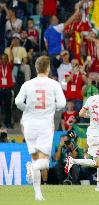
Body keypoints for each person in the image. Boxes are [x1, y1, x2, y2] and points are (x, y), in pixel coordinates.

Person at [15, 56, 66, 200]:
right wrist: (50, 109)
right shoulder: (54, 84)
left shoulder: (27, 84)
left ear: (36, 68)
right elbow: (62, 104)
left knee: (35, 158)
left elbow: (18, 101)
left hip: (28, 124)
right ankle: (33, 168)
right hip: (44, 124)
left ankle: (38, 194)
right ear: (48, 68)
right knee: (43, 161)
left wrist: (27, 110)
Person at [65, 78, 99, 192]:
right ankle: (73, 161)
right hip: (98, 134)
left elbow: (81, 114)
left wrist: (94, 116)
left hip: (93, 132)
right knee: (97, 162)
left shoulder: (91, 98)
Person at [0, 53, 14, 128]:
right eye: (2, 58)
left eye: (5, 58)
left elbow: (12, 60)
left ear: (7, 59)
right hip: (0, 89)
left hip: (8, 89)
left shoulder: (9, 66)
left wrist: (11, 48)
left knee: (8, 107)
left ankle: (8, 122)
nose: (3, 60)